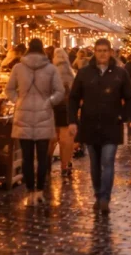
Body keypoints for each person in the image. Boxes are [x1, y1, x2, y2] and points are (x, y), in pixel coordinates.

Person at [69, 38, 131, 214]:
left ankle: (105, 197)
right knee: (94, 162)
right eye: (99, 50)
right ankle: (98, 193)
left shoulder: (120, 74)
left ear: (110, 52)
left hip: (111, 124)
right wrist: (72, 121)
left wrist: (124, 115)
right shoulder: (85, 73)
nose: (102, 54)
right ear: (95, 52)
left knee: (107, 161)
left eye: (105, 50)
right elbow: (74, 98)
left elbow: (130, 97)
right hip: (90, 124)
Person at [6, 38, 65, 206]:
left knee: (26, 157)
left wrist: (18, 100)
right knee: (42, 157)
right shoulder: (51, 69)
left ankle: (30, 192)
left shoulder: (18, 67)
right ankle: (39, 191)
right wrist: (49, 101)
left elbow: (8, 89)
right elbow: (59, 92)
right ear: (42, 51)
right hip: (44, 115)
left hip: (23, 115)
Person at [49, 47, 76, 177]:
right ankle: (66, 165)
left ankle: (46, 163)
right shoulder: (72, 73)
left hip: (53, 109)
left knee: (51, 138)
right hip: (67, 109)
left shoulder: (50, 72)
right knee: (66, 140)